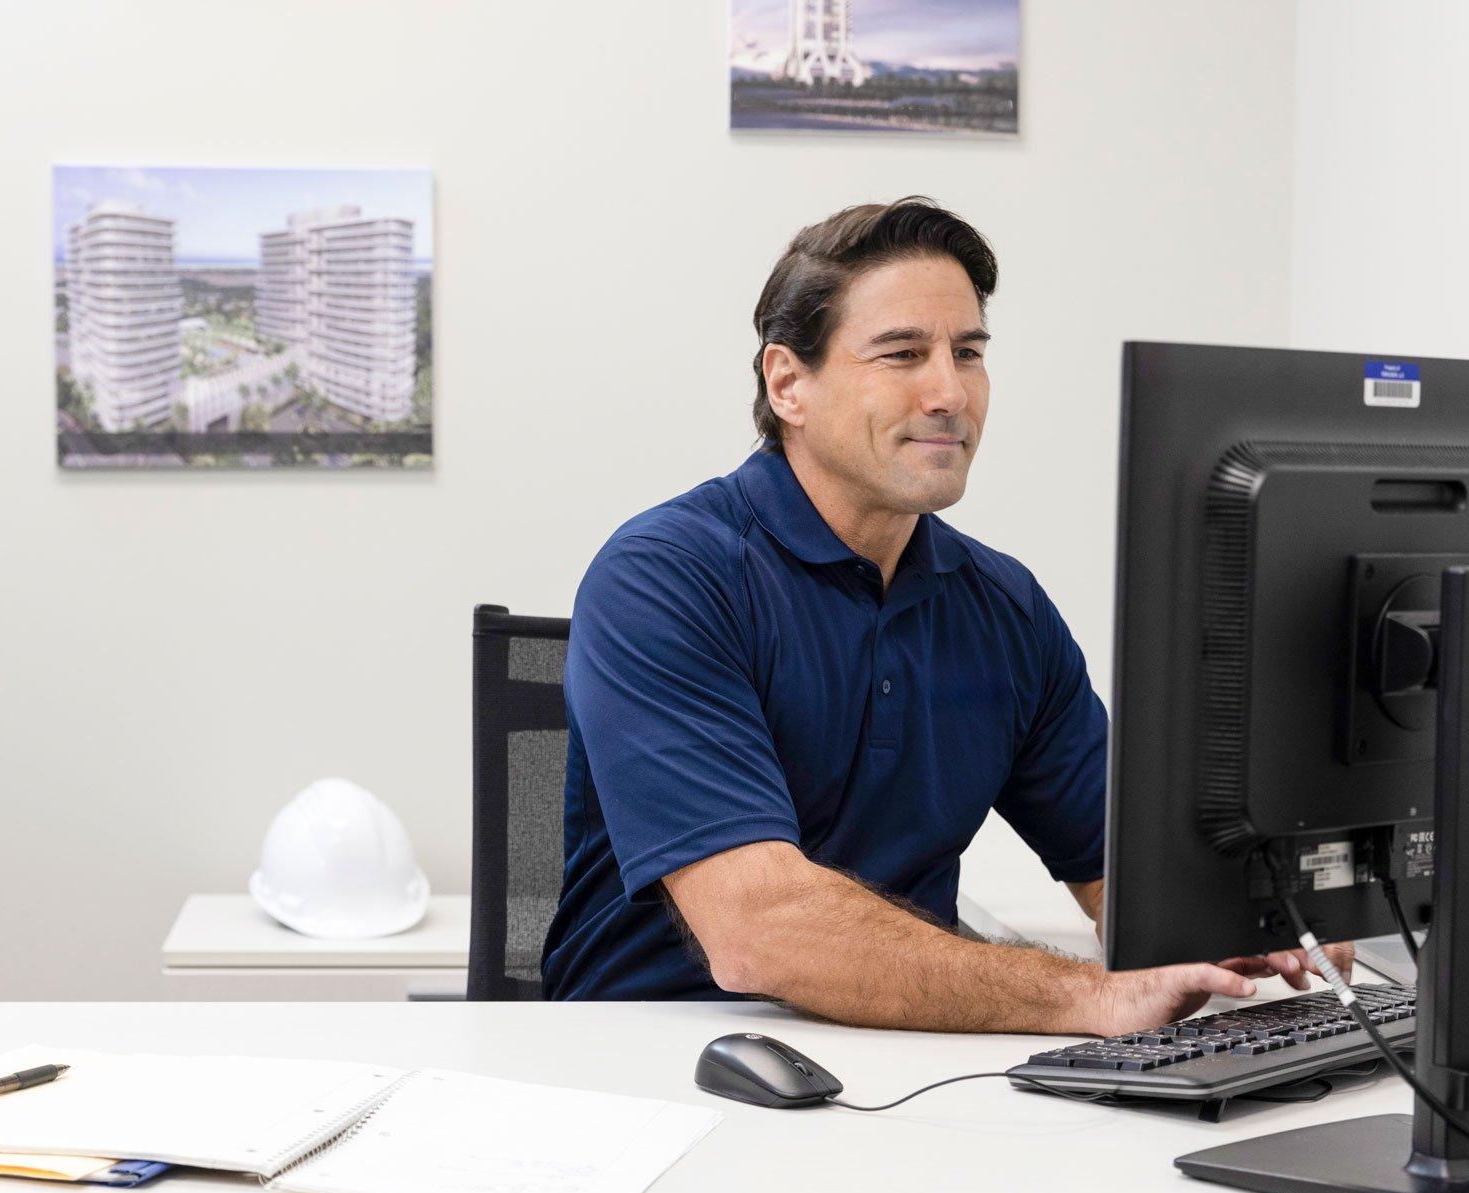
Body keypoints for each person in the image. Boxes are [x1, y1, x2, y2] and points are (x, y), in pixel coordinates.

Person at [540, 197, 1349, 1033]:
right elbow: (759, 932)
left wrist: (1250, 926)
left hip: (903, 1067)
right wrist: (1091, 994)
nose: (950, 392)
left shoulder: (1004, 608)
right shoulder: (666, 576)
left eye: (969, 352)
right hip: (653, 1065)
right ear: (788, 383)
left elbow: (1137, 880)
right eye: (902, 354)